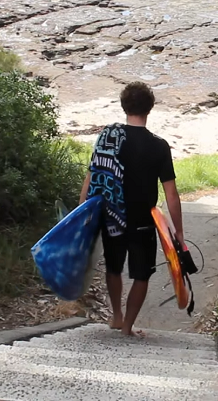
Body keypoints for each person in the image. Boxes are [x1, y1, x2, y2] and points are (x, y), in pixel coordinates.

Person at [79, 81, 185, 337]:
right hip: (143, 221)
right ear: (150, 108)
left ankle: (116, 315)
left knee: (113, 268)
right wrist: (178, 232)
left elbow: (92, 175)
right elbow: (171, 193)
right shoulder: (159, 146)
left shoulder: (108, 137)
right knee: (141, 274)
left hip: (111, 215)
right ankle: (127, 326)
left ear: (124, 106)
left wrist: (82, 210)